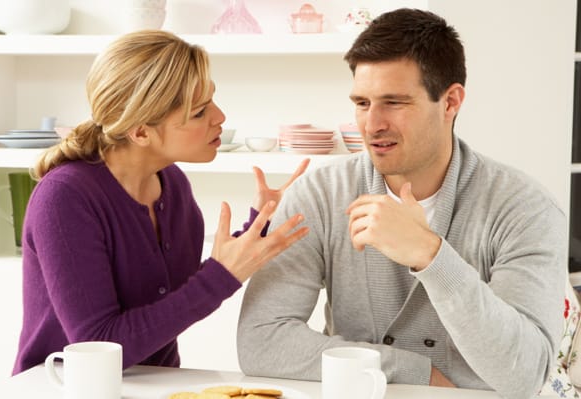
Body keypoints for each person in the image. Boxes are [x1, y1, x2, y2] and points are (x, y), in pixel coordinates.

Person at [237, 8, 567, 399]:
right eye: (362, 103)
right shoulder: (319, 195)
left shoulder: (524, 208)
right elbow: (260, 342)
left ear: (450, 102)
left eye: (394, 102)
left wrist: (430, 255)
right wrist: (411, 371)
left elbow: (524, 374)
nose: (371, 125)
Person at [12, 30, 309, 374]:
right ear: (140, 132)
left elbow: (175, 301)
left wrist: (259, 226)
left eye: (212, 100)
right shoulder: (64, 198)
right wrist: (222, 275)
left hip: (153, 384)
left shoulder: (172, 184)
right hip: (62, 387)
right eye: (199, 112)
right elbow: (98, 347)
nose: (220, 117)